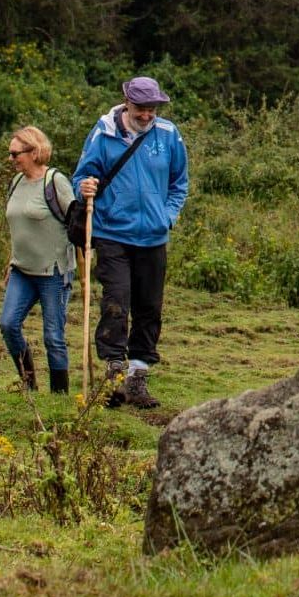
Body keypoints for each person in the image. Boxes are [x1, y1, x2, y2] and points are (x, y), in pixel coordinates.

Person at [74, 76, 189, 409]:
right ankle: (113, 370)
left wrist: (167, 216)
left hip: (153, 235)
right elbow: (82, 175)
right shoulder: (103, 133)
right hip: (112, 232)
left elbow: (179, 182)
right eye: (140, 109)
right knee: (116, 300)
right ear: (126, 103)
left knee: (149, 307)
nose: (146, 116)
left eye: (152, 109)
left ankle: (138, 377)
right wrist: (86, 186)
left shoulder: (168, 135)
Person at [0, 126, 76, 394]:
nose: (11, 159)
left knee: (53, 336)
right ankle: (29, 383)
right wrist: (12, 260)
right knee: (8, 324)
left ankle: (59, 394)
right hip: (22, 269)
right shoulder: (17, 182)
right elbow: (19, 226)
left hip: (52, 271)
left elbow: (76, 222)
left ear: (33, 152)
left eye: (14, 154)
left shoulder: (55, 181)